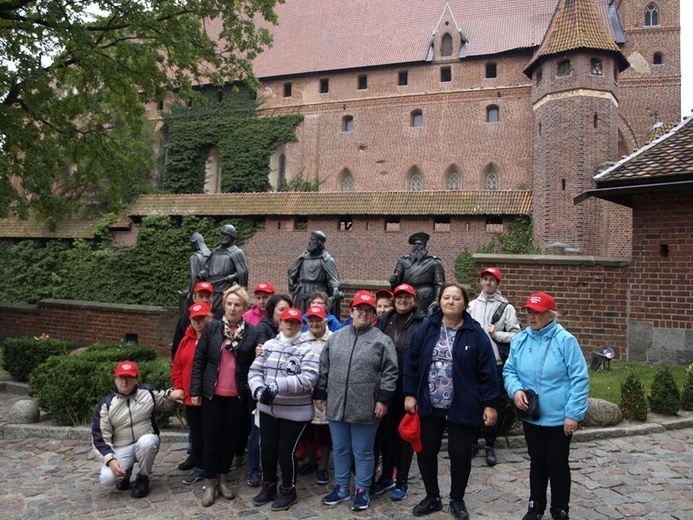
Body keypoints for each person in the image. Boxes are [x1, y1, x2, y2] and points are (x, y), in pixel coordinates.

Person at [403, 282, 500, 520]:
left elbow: (488, 371)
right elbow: (412, 362)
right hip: (429, 403)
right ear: (440, 300)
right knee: (425, 451)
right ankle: (432, 496)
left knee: (460, 454)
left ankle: (457, 499)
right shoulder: (428, 328)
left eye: (456, 298)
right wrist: (409, 393)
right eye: (446, 297)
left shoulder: (475, 333)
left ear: (464, 303)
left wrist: (490, 403)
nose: (450, 302)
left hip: (462, 404)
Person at [503, 292, 589, 520]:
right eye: (529, 312)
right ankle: (535, 505)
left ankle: (560, 508)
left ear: (550, 314)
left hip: (560, 418)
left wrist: (573, 414)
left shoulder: (566, 341)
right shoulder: (520, 340)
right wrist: (516, 390)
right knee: (537, 461)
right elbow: (509, 370)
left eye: (537, 313)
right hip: (532, 415)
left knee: (557, 462)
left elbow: (579, 379)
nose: (532, 317)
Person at [314, 290, 398, 512]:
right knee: (340, 449)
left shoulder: (381, 341)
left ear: (374, 315)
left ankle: (362, 490)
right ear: (351, 311)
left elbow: (391, 373)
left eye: (368, 310)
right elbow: (324, 367)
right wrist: (320, 393)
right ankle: (342, 487)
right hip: (337, 405)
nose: (363, 313)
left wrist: (383, 400)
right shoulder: (336, 338)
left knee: (363, 451)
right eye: (359, 309)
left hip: (366, 407)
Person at [190, 285, 258, 507]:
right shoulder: (213, 329)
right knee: (211, 439)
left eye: (237, 304)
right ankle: (210, 483)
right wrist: (195, 391)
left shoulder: (252, 332)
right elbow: (199, 361)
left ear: (244, 308)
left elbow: (253, 365)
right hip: (212, 395)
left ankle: (223, 478)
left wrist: (261, 351)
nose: (232, 308)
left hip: (236, 396)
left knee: (230, 440)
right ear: (223, 306)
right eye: (229, 304)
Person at [248, 307, 320, 511]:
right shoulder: (269, 346)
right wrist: (259, 389)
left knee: (285, 451)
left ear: (300, 325)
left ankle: (288, 489)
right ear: (279, 323)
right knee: (267, 448)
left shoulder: (308, 350)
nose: (289, 325)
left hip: (295, 412)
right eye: (286, 321)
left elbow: (309, 378)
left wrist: (278, 386)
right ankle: (268, 485)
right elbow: (255, 370)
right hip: (268, 409)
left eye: (294, 322)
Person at [92, 361, 184, 498]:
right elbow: (99, 438)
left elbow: (164, 398)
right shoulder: (106, 405)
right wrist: (111, 461)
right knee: (107, 479)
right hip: (121, 447)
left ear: (136, 379)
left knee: (148, 441)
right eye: (121, 377)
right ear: (115, 379)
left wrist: (171, 394)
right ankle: (126, 473)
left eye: (129, 377)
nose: (125, 381)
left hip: (145, 442)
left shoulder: (147, 393)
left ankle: (142, 478)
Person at [372, 283, 426, 501]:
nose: (403, 300)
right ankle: (386, 475)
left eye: (407, 297)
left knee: (406, 434)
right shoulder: (385, 320)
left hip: (409, 387)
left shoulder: (423, 323)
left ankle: (402, 479)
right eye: (399, 296)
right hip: (387, 386)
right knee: (386, 433)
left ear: (414, 300)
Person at [467, 266, 521, 466]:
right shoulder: (471, 306)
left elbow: (516, 335)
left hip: (494, 363)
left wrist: (496, 334)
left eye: (492, 279)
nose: (487, 282)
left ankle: (490, 445)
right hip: (472, 363)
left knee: (491, 404)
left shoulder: (506, 308)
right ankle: (472, 443)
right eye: (485, 279)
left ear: (498, 283)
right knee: (472, 405)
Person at [246, 292, 293, 487]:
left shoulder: (293, 330)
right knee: (258, 432)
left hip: (283, 392)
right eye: (281, 309)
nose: (285, 314)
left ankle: (271, 470)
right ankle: (254, 470)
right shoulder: (264, 328)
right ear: (273, 312)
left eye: (288, 309)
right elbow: (263, 352)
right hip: (263, 389)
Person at [171, 301, 212, 485]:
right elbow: (178, 366)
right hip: (189, 396)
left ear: (207, 319)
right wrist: (178, 386)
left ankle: (212, 466)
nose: (197, 322)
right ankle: (201, 466)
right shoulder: (186, 340)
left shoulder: (213, 338)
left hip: (209, 396)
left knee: (210, 432)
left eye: (201, 318)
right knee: (196, 433)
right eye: (195, 319)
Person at [297, 305, 333, 484]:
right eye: (311, 320)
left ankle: (324, 466)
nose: (315, 323)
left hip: (327, 392)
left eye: (318, 319)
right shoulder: (301, 339)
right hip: (306, 393)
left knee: (325, 430)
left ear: (325, 320)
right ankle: (311, 460)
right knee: (309, 429)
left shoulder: (334, 339)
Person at [389, 232, 445, 315]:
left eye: (420, 244)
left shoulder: (434, 263)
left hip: (425, 298)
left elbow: (439, 283)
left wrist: (437, 300)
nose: (417, 246)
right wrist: (393, 281)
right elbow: (397, 282)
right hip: (407, 296)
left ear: (425, 245)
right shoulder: (403, 262)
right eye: (415, 244)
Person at [288, 231, 341, 314]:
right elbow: (292, 272)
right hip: (302, 293)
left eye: (312, 240)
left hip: (319, 294)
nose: (309, 242)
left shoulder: (327, 259)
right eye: (310, 239)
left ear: (319, 243)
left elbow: (332, 278)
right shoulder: (303, 257)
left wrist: (335, 288)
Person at [199, 224, 249, 309]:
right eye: (222, 234)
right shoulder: (215, 251)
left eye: (225, 235)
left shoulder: (237, 252)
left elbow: (243, 271)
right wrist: (203, 273)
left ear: (231, 237)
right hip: (211, 286)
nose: (222, 237)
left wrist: (233, 276)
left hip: (226, 287)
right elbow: (207, 267)